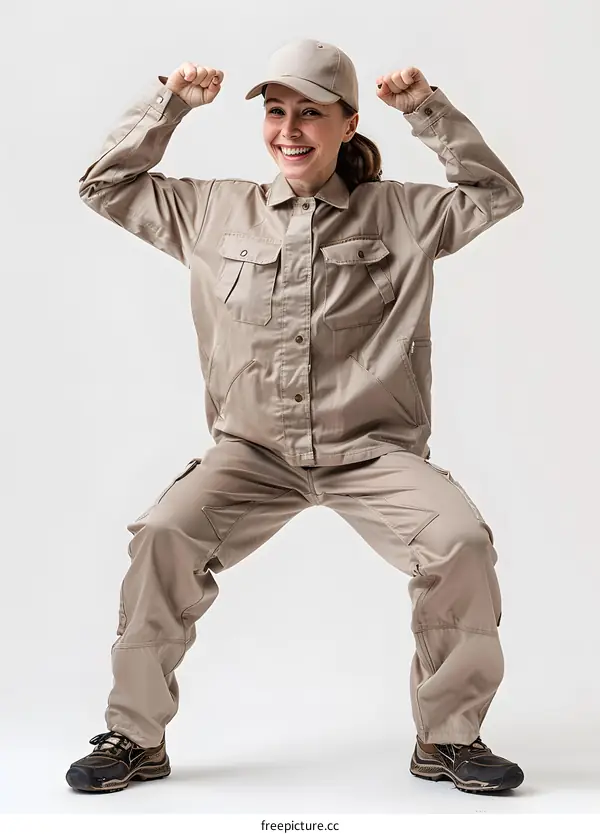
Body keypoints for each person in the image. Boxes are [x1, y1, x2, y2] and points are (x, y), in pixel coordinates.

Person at [66, 38, 525, 795]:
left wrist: (426, 110)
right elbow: (102, 183)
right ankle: (134, 736)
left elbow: (493, 195)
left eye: (310, 113)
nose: (289, 129)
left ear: (348, 124)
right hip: (252, 454)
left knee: (461, 543)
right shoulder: (212, 211)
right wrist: (170, 102)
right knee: (162, 535)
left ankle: (449, 738)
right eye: (276, 112)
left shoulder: (403, 213)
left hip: (374, 453)